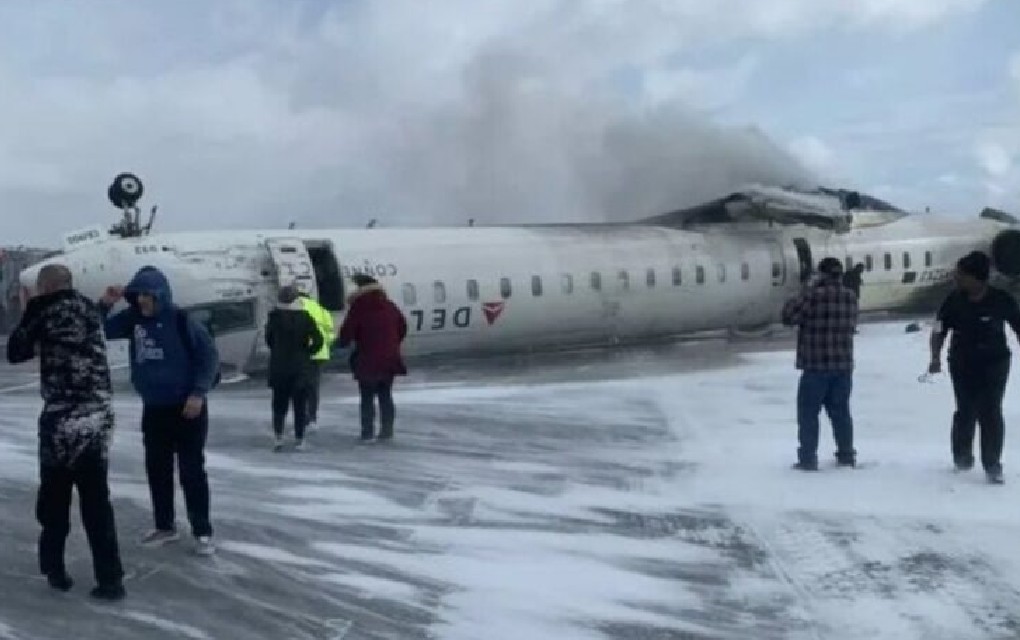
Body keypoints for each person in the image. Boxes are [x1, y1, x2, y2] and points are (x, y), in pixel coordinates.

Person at [6, 264, 125, 600]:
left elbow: (16, 351)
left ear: (44, 287)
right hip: (98, 418)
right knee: (97, 503)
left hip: (62, 421)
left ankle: (55, 569)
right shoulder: (87, 308)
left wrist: (30, 309)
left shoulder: (45, 312)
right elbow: (89, 326)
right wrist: (103, 304)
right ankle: (111, 579)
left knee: (54, 501)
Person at [98, 266, 220, 555]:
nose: (142, 301)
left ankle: (202, 530)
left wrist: (198, 393)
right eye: (138, 295)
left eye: (147, 296)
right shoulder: (133, 320)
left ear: (160, 295)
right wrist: (105, 304)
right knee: (157, 469)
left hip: (187, 408)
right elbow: (98, 329)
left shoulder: (181, 320)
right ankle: (165, 526)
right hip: (154, 408)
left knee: (191, 470)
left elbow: (209, 356)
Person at [929, 251, 1020, 484]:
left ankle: (992, 464)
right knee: (965, 410)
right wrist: (935, 357)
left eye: (961, 275)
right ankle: (962, 458)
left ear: (977, 278)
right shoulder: (953, 300)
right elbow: (939, 329)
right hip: (962, 363)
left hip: (995, 363)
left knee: (990, 411)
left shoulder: (1001, 299)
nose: (957, 278)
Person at [781, 257, 860, 471]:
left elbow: (788, 317)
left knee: (808, 415)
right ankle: (846, 455)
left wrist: (805, 289)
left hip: (815, 366)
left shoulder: (812, 296)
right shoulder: (850, 297)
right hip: (843, 366)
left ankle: (808, 458)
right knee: (841, 413)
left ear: (821, 274)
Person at [338, 274, 408, 442]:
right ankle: (387, 431)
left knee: (367, 398)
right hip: (390, 359)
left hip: (367, 360)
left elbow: (347, 334)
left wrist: (343, 343)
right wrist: (392, 344)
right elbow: (403, 327)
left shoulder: (359, 308)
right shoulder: (390, 306)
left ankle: (367, 433)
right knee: (385, 395)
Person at [266, 286, 323, 451]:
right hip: (300, 367)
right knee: (299, 405)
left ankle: (278, 438)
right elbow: (318, 340)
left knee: (279, 405)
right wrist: (308, 352)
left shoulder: (274, 317)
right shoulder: (305, 317)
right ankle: (299, 439)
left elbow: (269, 339)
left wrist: (277, 351)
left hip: (279, 367)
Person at [298, 291, 334, 431]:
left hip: (301, 354)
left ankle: (302, 418)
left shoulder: (298, 308)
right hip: (320, 354)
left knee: (299, 387)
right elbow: (330, 334)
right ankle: (312, 417)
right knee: (313, 387)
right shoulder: (321, 309)